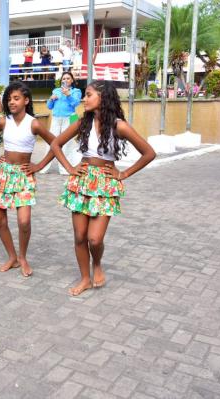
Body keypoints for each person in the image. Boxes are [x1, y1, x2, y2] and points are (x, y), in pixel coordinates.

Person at [50, 80, 156, 296]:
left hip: (105, 184)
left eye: (89, 95)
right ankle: (85, 278)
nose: (84, 99)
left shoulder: (119, 125)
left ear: (103, 97)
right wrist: (70, 168)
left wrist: (123, 174)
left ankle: (96, 263)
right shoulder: (82, 122)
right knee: (80, 236)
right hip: (82, 181)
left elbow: (149, 153)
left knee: (94, 238)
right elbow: (55, 143)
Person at [0, 82, 56, 277]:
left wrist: (39, 165)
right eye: (9, 99)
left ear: (26, 100)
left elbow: (56, 143)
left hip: (24, 175)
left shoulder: (34, 123)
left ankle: (23, 257)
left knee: (24, 221)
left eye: (16, 98)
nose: (11, 102)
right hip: (3, 174)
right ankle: (12, 257)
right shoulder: (3, 122)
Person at [41, 71, 82, 175]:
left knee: (68, 144)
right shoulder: (56, 90)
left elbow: (75, 103)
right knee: (51, 142)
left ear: (72, 80)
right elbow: (49, 106)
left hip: (70, 118)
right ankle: (44, 167)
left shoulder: (76, 91)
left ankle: (64, 169)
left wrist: (68, 95)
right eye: (64, 78)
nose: (66, 80)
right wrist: (51, 99)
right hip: (56, 118)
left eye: (68, 78)